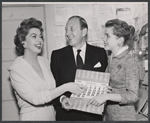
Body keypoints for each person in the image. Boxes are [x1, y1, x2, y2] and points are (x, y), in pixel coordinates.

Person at [8, 17, 86, 121]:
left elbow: (51, 91)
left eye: (40, 37)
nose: (39, 40)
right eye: (34, 36)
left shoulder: (44, 62)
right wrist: (66, 87)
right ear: (23, 42)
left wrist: (62, 99)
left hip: (51, 115)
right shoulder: (16, 70)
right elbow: (36, 98)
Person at [50, 15, 108, 121]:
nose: (67, 33)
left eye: (72, 29)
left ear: (84, 32)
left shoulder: (100, 53)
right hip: (67, 116)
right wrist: (62, 99)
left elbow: (106, 83)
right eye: (66, 30)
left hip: (93, 116)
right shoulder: (57, 55)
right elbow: (53, 86)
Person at [87, 19, 140, 121]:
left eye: (108, 36)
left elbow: (133, 96)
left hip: (124, 117)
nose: (104, 39)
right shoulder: (112, 58)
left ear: (119, 40)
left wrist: (106, 96)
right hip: (110, 115)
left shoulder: (129, 62)